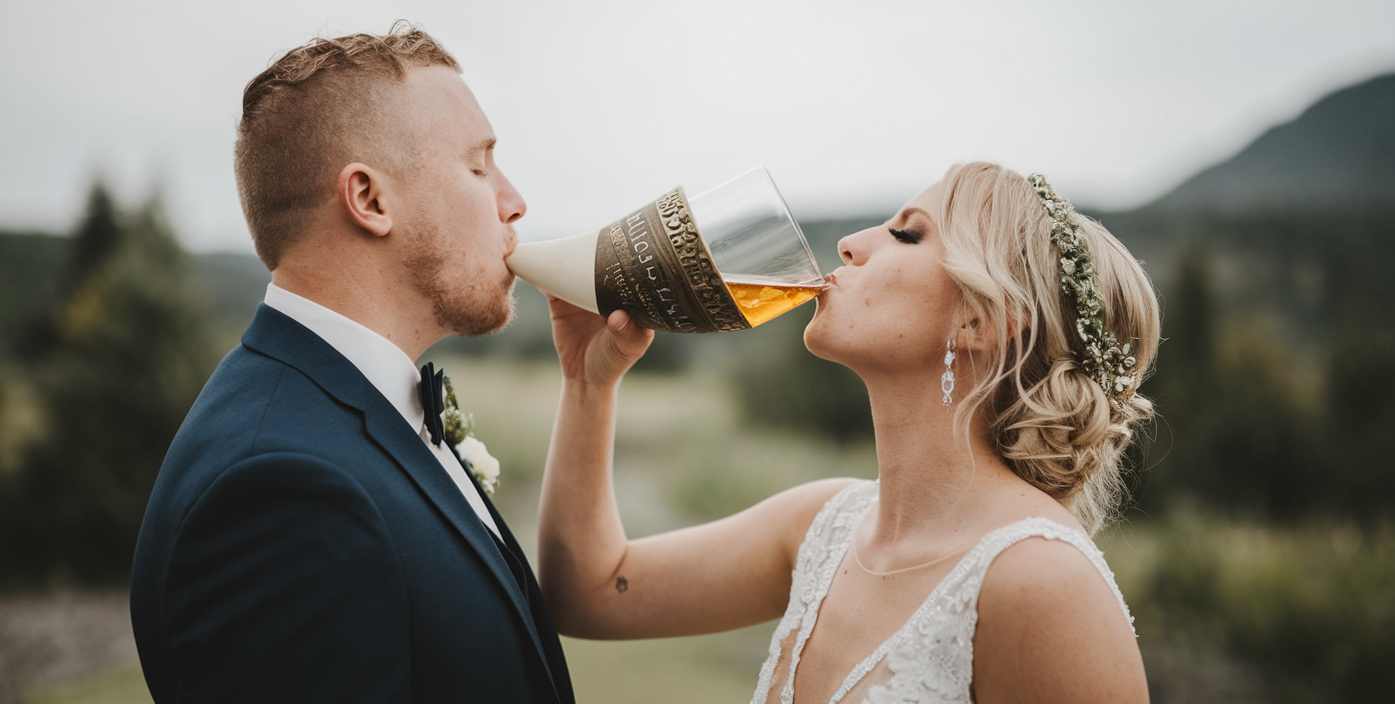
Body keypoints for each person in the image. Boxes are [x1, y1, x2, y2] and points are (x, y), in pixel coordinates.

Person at [538, 162, 1156, 702]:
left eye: (905, 234)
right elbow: (590, 592)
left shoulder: (1042, 583)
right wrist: (589, 385)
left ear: (980, 319)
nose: (849, 244)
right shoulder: (823, 528)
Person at [130, 25, 575, 703]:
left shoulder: (353, 412)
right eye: (479, 166)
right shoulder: (279, 490)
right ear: (369, 200)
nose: (513, 202)